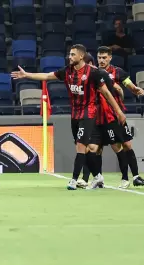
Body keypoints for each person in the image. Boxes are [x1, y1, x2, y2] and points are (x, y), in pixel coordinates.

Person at [11, 44, 126, 190]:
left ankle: (74, 179)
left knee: (80, 147)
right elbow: (47, 76)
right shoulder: (67, 71)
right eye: (69, 54)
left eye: (72, 54)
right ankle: (97, 176)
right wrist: (27, 75)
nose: (69, 57)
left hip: (88, 113)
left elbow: (107, 94)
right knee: (86, 149)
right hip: (75, 114)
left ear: (81, 56)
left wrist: (119, 112)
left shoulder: (93, 73)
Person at [94, 46, 144, 187]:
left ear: (110, 58)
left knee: (127, 145)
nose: (101, 60)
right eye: (99, 57)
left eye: (104, 57)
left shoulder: (118, 72)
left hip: (116, 115)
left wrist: (135, 89)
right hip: (99, 116)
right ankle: (99, 179)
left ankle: (135, 177)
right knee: (99, 148)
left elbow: (128, 84)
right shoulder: (93, 73)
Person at [78, 53, 130, 189]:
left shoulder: (99, 74)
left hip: (108, 117)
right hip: (94, 119)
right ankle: (97, 178)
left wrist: (119, 109)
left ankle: (125, 178)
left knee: (117, 147)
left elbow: (116, 90)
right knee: (92, 148)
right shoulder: (82, 78)